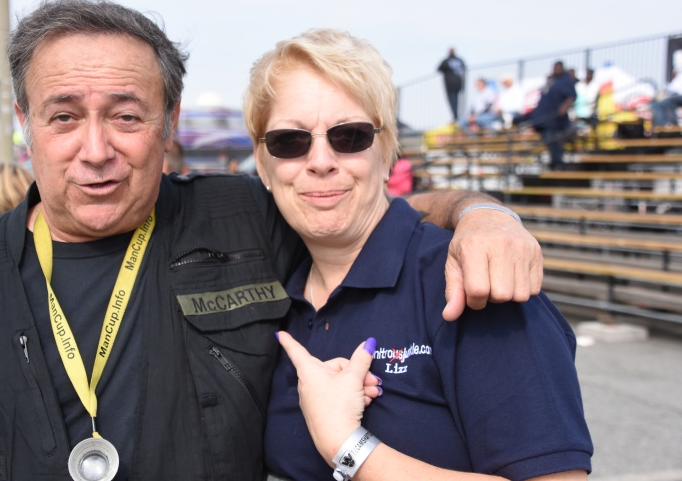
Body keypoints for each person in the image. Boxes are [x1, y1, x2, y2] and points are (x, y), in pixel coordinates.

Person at [0, 0, 542, 480]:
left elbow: (360, 207)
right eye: (64, 117)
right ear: (25, 122)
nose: (96, 149)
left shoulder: (244, 219)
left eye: (126, 116)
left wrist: (483, 214)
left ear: (168, 121)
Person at [243, 29, 592, 480]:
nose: (321, 160)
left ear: (387, 150)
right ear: (263, 163)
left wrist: (348, 446)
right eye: (290, 141)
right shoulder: (277, 286)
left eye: (350, 136)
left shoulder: (466, 279)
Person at [514, 61, 577, 170]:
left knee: (553, 142)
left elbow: (571, 96)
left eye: (558, 68)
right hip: (544, 119)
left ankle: (558, 164)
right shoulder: (552, 82)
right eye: (555, 68)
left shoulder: (565, 81)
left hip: (555, 121)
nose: (556, 70)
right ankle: (555, 163)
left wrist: (564, 107)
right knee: (549, 141)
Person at [437, 48, 466, 123]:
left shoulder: (446, 61)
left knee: (452, 101)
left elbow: (439, 69)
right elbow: (464, 68)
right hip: (458, 83)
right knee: (456, 101)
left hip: (450, 84)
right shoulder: (459, 60)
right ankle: (456, 117)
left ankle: (455, 118)